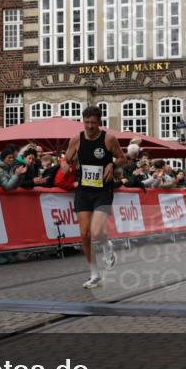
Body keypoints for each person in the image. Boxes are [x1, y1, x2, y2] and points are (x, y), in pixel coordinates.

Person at [64, 105, 126, 289]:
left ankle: (107, 245)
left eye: (93, 122)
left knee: (97, 230)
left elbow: (122, 157)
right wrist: (64, 165)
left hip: (102, 191)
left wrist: (112, 165)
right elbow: (66, 158)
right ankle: (94, 273)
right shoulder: (76, 139)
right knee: (84, 233)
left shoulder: (108, 139)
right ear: (83, 121)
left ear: (99, 122)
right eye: (87, 122)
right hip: (84, 191)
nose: (90, 126)